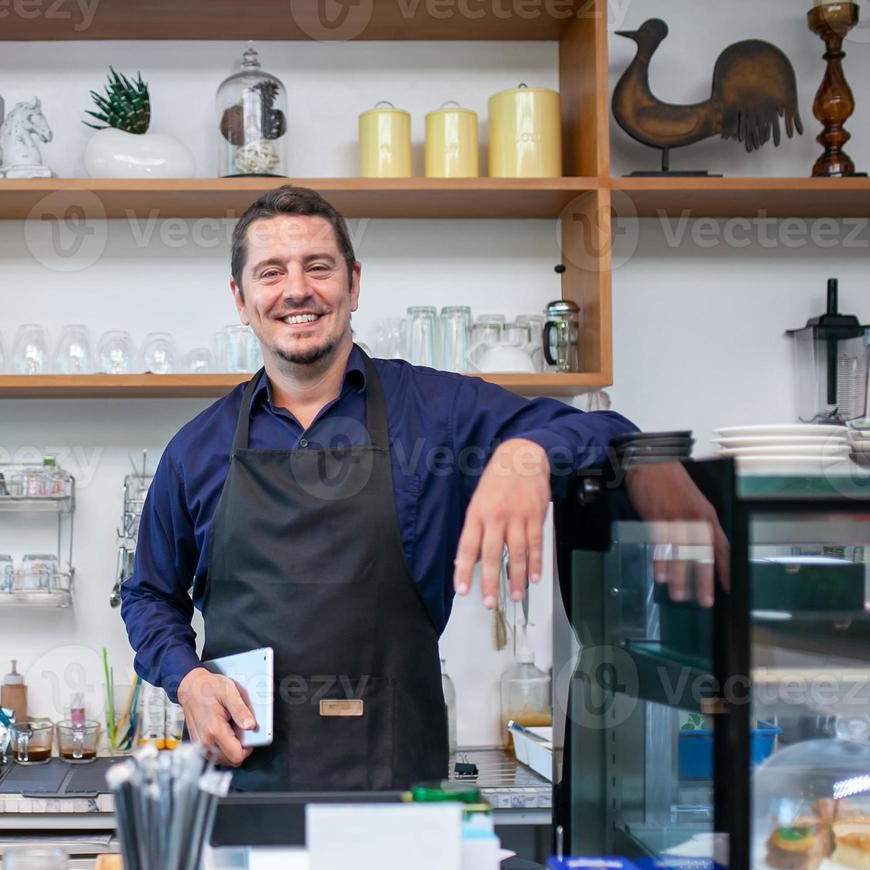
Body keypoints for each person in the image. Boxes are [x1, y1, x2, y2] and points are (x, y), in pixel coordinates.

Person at [119, 185, 715, 792]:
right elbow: (147, 594)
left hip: (398, 802)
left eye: (318, 267)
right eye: (270, 272)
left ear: (353, 283)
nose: (296, 290)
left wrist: (527, 452)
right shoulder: (195, 449)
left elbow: (605, 432)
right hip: (240, 795)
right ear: (241, 299)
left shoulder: (438, 413)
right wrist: (187, 681)